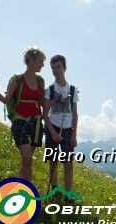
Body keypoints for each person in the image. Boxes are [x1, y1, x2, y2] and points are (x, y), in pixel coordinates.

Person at [0, 47, 46, 183]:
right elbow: (6, 99)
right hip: (20, 122)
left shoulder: (40, 81)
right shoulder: (18, 79)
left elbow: (43, 101)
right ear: (32, 61)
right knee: (27, 160)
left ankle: (19, 189)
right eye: (40, 61)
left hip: (36, 123)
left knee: (27, 162)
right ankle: (29, 192)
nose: (42, 65)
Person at [45, 54, 79, 192]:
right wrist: (52, 133)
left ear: (65, 68)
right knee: (53, 161)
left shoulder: (72, 90)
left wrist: (74, 135)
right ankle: (55, 190)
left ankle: (68, 193)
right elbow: (45, 112)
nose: (56, 70)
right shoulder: (49, 89)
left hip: (67, 130)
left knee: (68, 163)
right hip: (52, 128)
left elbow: (75, 113)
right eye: (53, 68)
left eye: (58, 67)